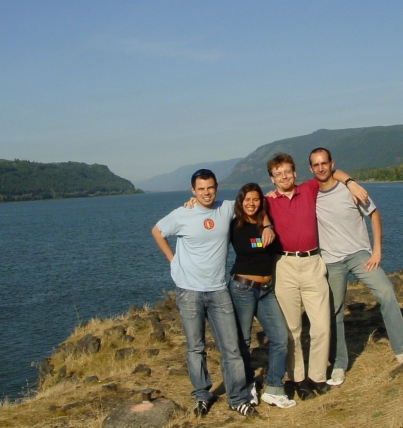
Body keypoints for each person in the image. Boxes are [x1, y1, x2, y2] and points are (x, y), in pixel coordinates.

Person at [151, 169, 263, 418]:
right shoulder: (182, 213)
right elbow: (157, 231)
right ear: (193, 191)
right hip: (189, 291)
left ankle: (237, 398)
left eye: (210, 187)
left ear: (216, 187)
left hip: (218, 290)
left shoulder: (226, 208)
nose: (206, 192)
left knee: (232, 347)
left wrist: (266, 227)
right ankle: (202, 395)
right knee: (195, 348)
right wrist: (172, 260)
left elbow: (253, 204)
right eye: (201, 189)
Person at [308, 148, 403, 387]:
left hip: (359, 255)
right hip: (331, 261)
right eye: (316, 165)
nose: (320, 168)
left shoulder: (350, 190)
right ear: (311, 168)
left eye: (324, 163)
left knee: (386, 292)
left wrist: (376, 250)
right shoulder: (310, 194)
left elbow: (374, 215)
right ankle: (338, 364)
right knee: (334, 312)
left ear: (332, 164)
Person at [264, 153, 367, 400]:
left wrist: (351, 182)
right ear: (272, 178)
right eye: (278, 174)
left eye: (287, 171)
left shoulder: (309, 189)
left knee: (321, 326)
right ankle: (298, 379)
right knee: (292, 329)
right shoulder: (267, 201)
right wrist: (265, 227)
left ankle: (317, 377)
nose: (284, 177)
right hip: (284, 265)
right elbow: (243, 206)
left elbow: (331, 172)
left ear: (295, 173)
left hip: (312, 263)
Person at [227, 183, 296, 409]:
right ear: (240, 201)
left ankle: (274, 388)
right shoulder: (235, 225)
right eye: (247, 199)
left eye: (256, 199)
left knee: (280, 337)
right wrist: (267, 234)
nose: (251, 203)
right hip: (243, 288)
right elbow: (249, 246)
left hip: (266, 290)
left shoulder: (265, 222)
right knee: (244, 341)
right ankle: (246, 385)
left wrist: (267, 225)